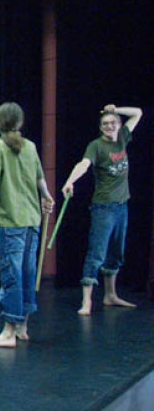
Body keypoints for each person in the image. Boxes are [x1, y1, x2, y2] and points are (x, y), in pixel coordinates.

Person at [0, 102, 54, 348]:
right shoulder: (30, 146)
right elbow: (40, 179)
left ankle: (9, 332)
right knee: (28, 272)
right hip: (33, 219)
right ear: (20, 123)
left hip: (11, 221)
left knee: (11, 273)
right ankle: (23, 327)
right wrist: (47, 196)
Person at [61, 103, 143, 315]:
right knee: (96, 253)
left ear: (119, 124)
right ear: (100, 128)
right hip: (103, 208)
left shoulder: (123, 137)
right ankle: (87, 301)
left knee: (116, 253)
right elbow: (84, 164)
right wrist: (70, 181)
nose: (109, 126)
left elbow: (138, 113)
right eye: (105, 124)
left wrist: (116, 109)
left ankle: (110, 295)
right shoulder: (96, 146)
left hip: (122, 206)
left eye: (112, 122)